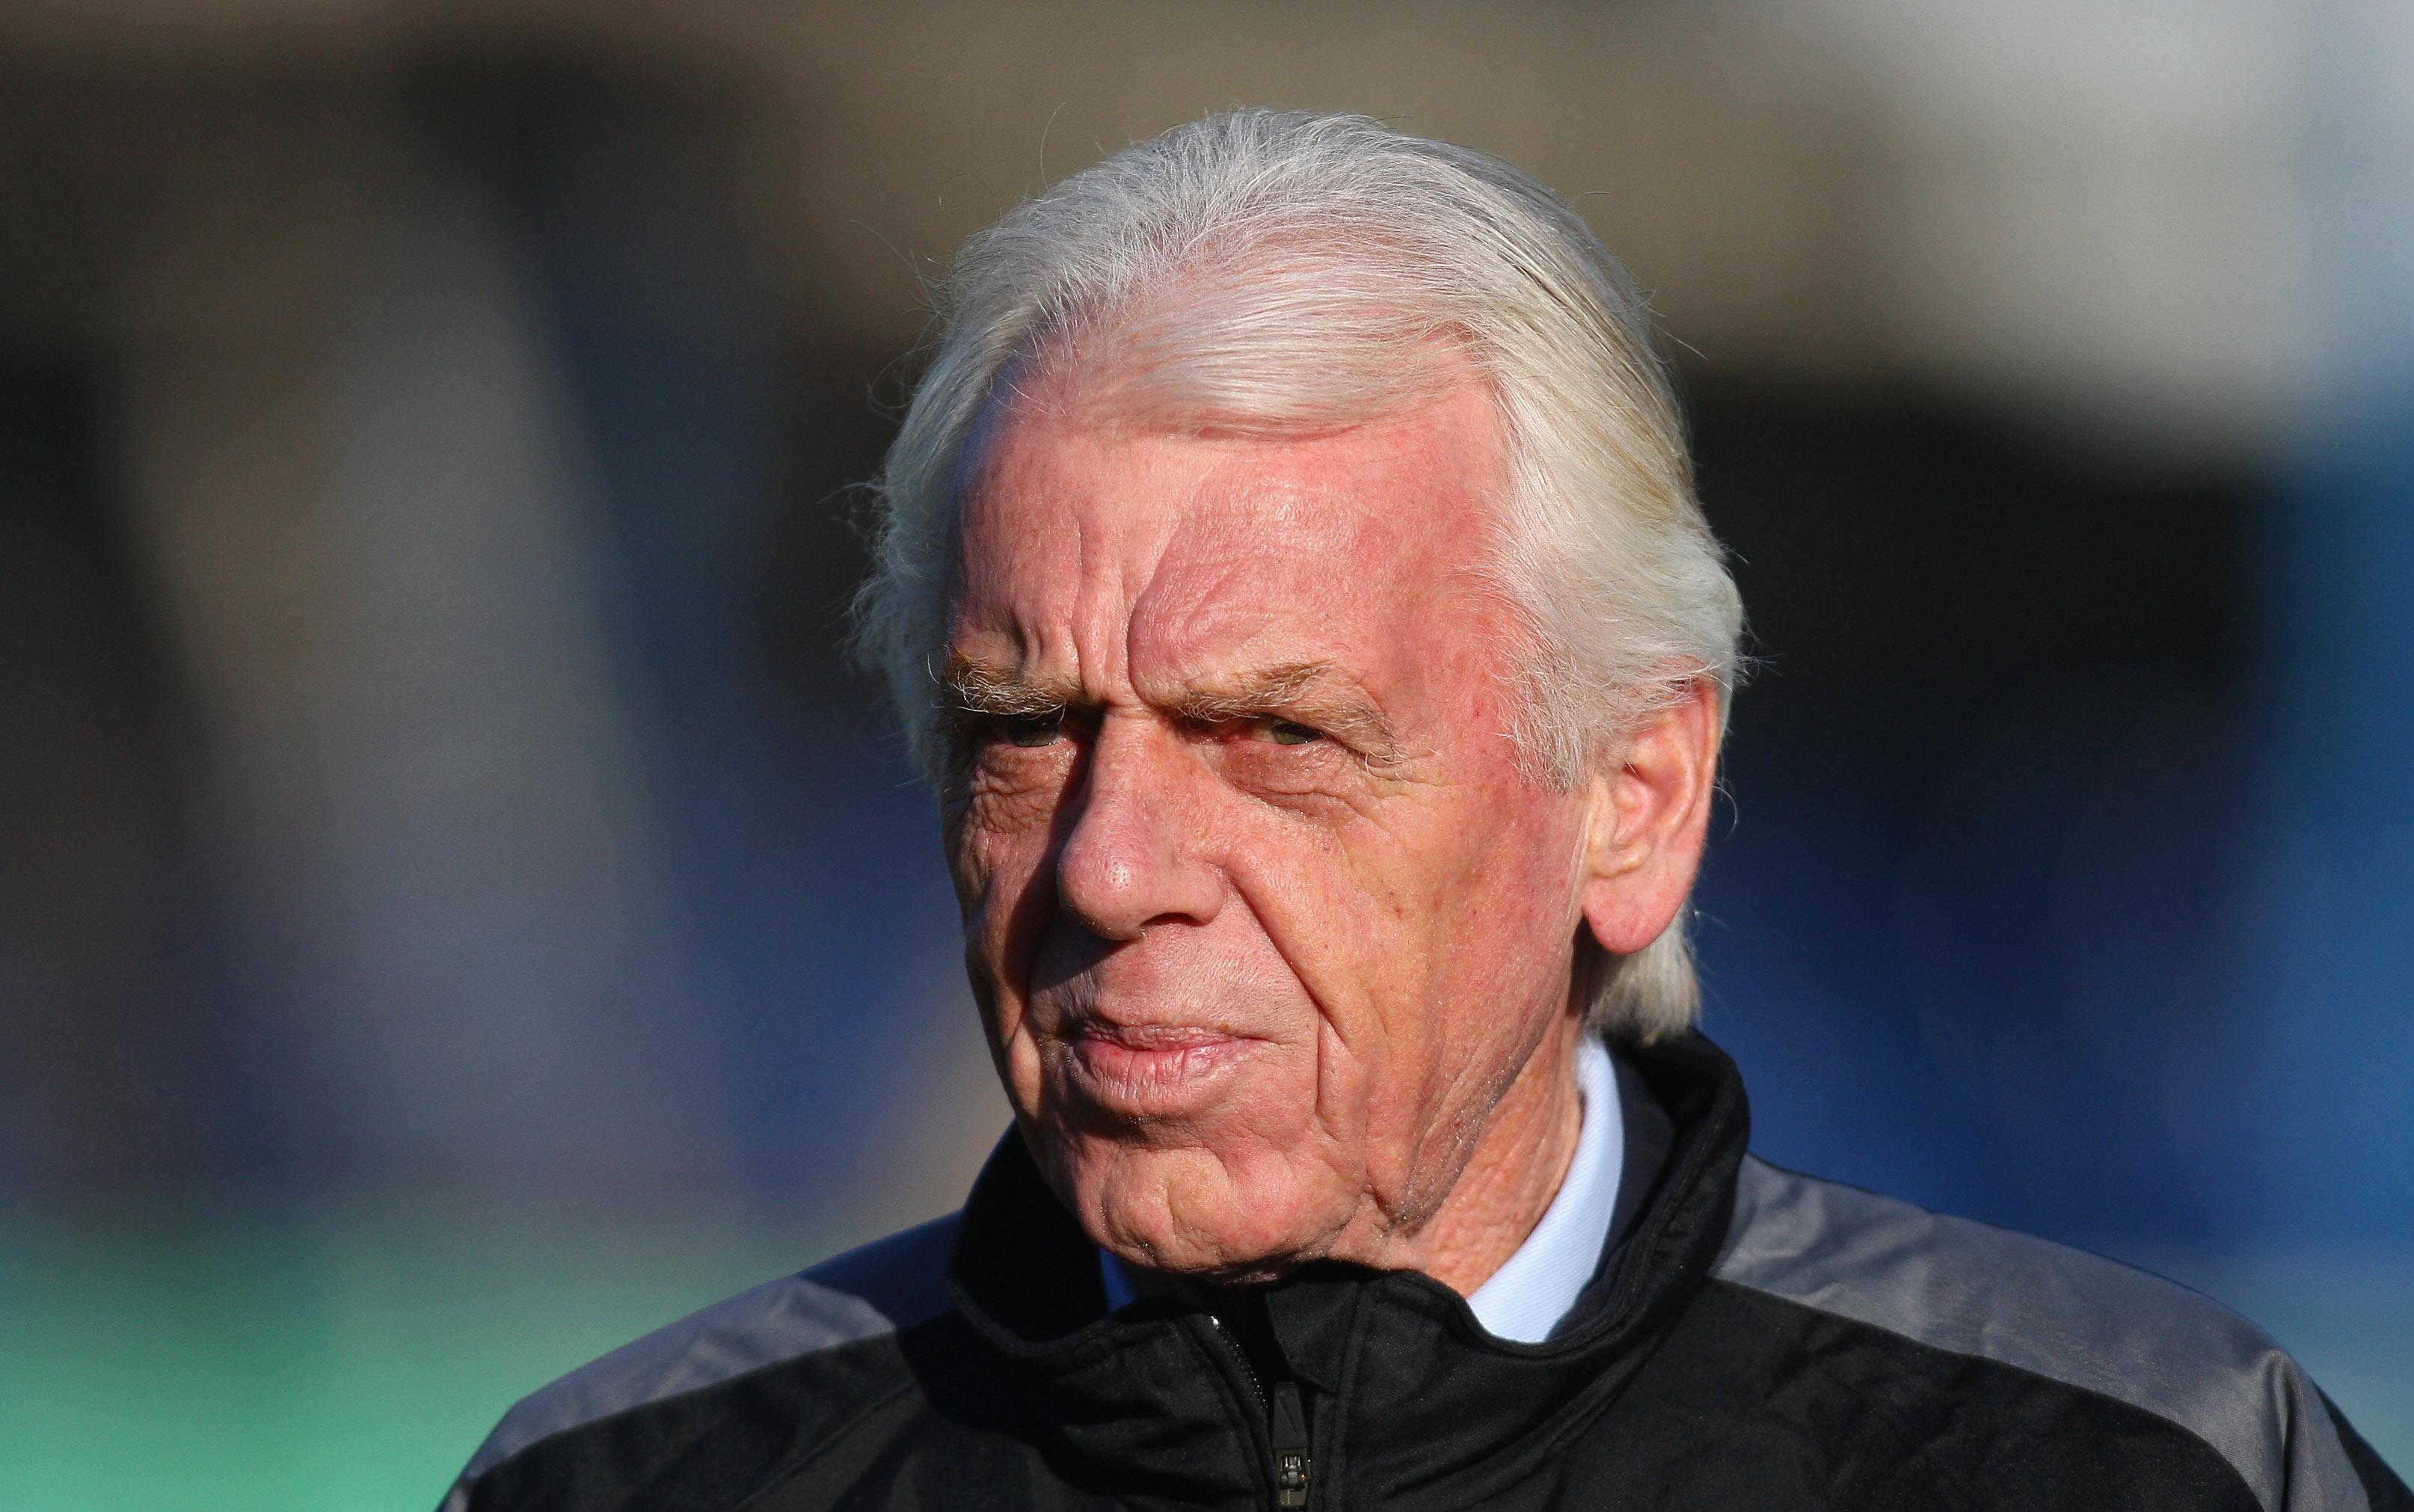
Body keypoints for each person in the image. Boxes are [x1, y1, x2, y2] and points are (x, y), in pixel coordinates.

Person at [440, 110, 2410, 1511]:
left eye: (1274, 736)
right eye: (1025, 731)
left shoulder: (2133, 1472)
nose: (1109, 867)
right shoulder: (629, 1487)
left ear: (1635, 798)